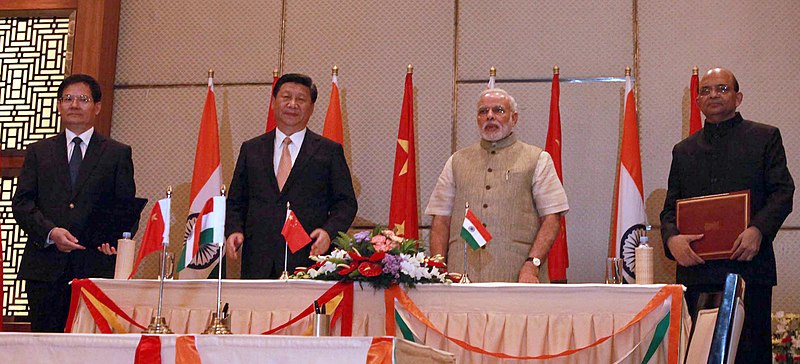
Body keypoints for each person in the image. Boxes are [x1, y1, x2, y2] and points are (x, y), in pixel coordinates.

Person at [660, 68, 794, 363]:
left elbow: (783, 193)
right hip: (698, 273)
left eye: (722, 89)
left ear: (738, 97)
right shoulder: (683, 151)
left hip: (749, 268)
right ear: (698, 101)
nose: (713, 95)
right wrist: (672, 241)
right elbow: (670, 209)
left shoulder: (765, 137)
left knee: (750, 356)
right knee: (700, 357)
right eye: (706, 91)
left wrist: (758, 230)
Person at [13, 74, 137, 332]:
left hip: (95, 267)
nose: (74, 105)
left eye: (83, 99)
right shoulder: (39, 151)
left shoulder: (117, 153)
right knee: (46, 350)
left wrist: (114, 242)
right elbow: (23, 203)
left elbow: (125, 208)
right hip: (45, 269)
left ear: (97, 107)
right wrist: (50, 232)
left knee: (90, 349)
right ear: (59, 105)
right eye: (68, 99)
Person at [425, 88, 569, 283]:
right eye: (483, 111)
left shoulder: (538, 159)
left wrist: (531, 265)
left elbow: (552, 219)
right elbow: (441, 220)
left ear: (514, 118)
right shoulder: (457, 160)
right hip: (460, 280)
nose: (490, 116)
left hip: (519, 279)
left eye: (498, 110)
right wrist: (438, 268)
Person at [225, 73, 357, 279]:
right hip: (258, 259)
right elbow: (235, 201)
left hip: (309, 259)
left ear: (312, 107)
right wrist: (234, 230)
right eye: (286, 97)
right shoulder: (251, 149)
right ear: (273, 102)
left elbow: (346, 203)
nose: (293, 104)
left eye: (301, 99)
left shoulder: (329, 151)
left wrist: (328, 233)